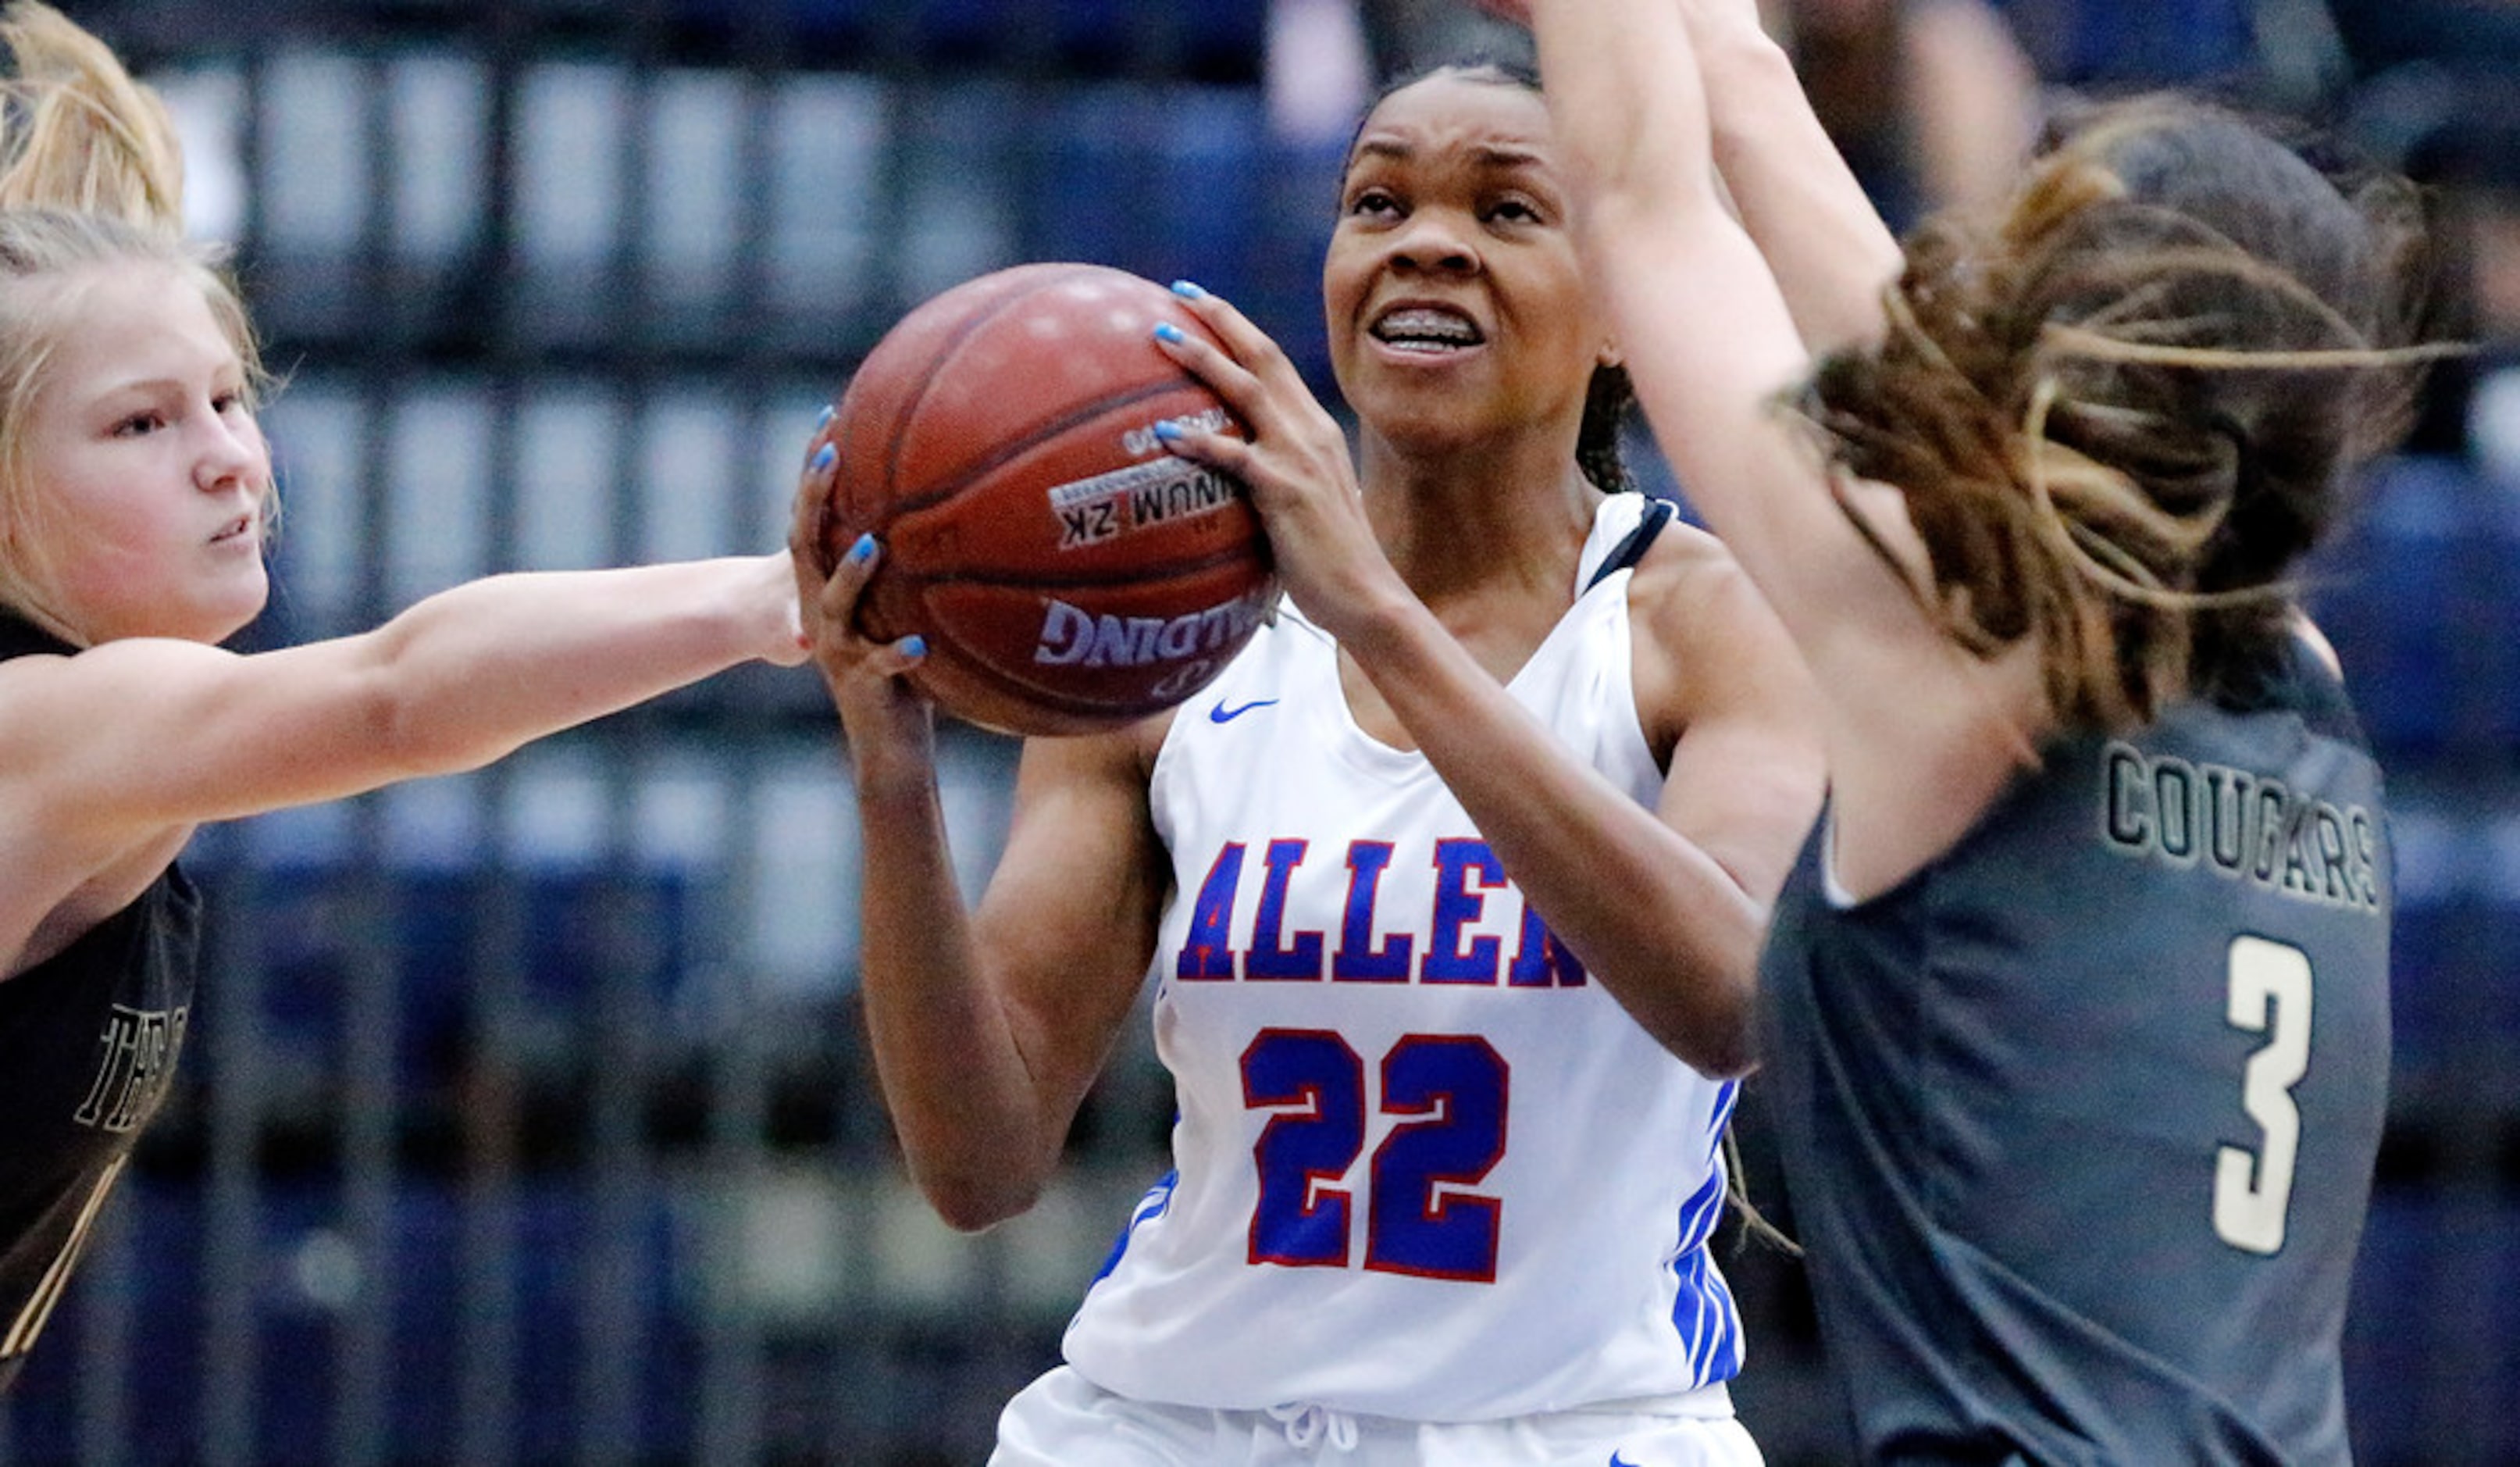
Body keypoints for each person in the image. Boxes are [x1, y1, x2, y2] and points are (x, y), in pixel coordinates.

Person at [791, 60, 1827, 1467]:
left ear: (1627, 320)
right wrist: (893, 777)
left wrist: (1381, 622)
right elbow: (980, 1162)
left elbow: (1733, 1000)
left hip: (1563, 1429)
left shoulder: (1710, 622)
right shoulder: (1159, 643)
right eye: (1378, 200)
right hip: (1167, 1425)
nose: (1427, 239)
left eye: (1511, 210)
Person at [1488, 0, 2434, 1458]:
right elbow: (1932, 400)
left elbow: (1643, 214)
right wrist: (1721, 47)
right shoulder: (2301, 684)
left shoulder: (1952, 651)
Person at [0, 0, 806, 1390]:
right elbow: (398, 694)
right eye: (143, 422)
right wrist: (766, 599)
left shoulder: (112, 730)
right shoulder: (53, 724)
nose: (227, 459)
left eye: (229, 398)